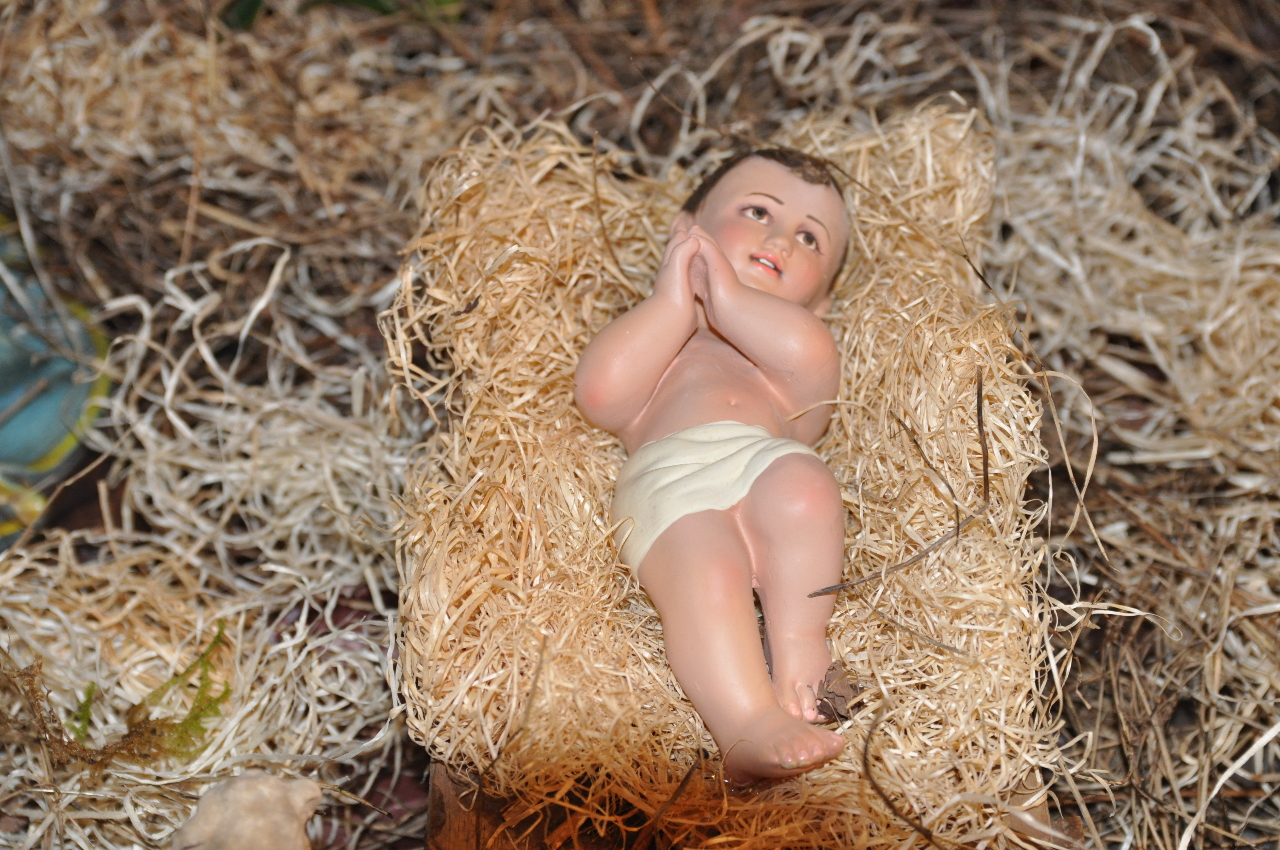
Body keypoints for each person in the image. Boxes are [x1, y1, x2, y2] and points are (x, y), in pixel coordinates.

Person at [574, 148, 851, 782]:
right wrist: (675, 304)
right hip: (670, 482)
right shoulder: (663, 334)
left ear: (825, 300)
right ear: (684, 232)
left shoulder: (795, 344)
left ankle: (802, 646)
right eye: (758, 211)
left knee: (806, 490)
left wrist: (726, 297)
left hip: (764, 457)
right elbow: (600, 394)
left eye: (809, 238)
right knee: (705, 574)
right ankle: (747, 722)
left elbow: (811, 369)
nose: (779, 238)